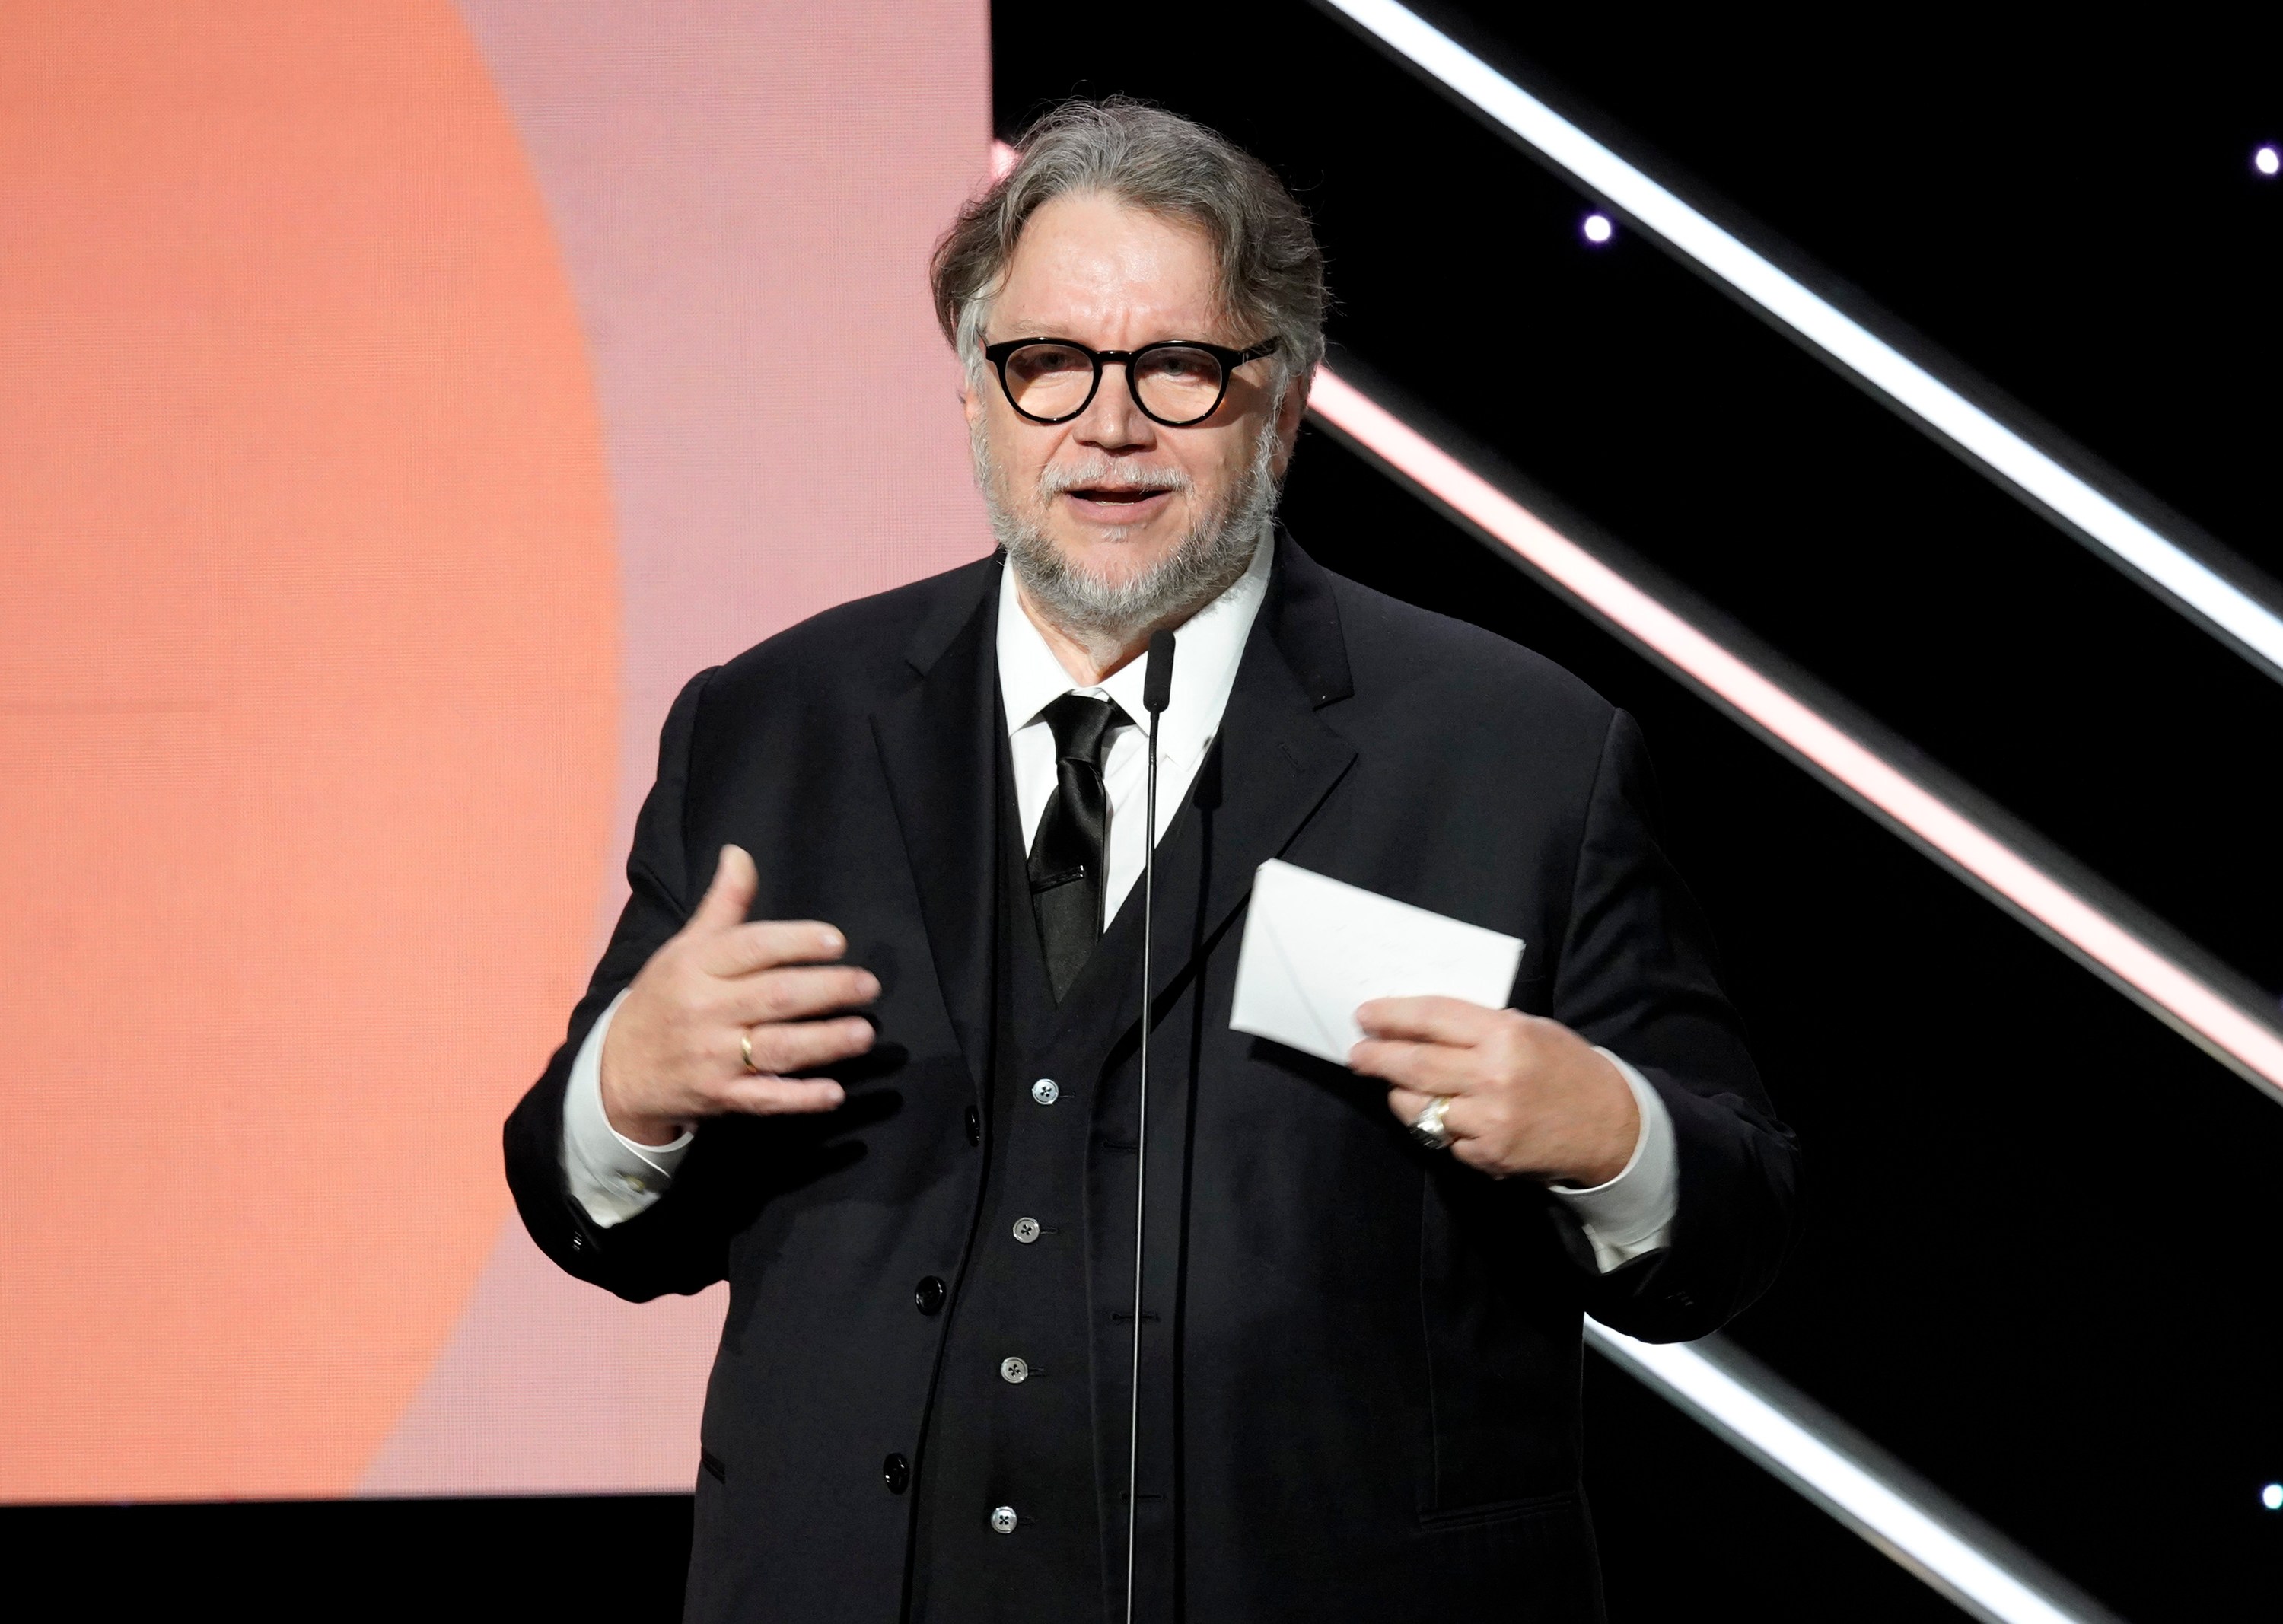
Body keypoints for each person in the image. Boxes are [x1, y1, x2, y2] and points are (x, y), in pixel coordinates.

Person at [505, 99, 1798, 1624]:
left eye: (1180, 368)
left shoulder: (1512, 750)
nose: (1107, 425)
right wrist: (622, 1094)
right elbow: (593, 1210)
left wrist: (1609, 1131)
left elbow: (1729, 1222)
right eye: (1047, 364)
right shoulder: (773, 724)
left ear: (1286, 399)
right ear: (975, 399)